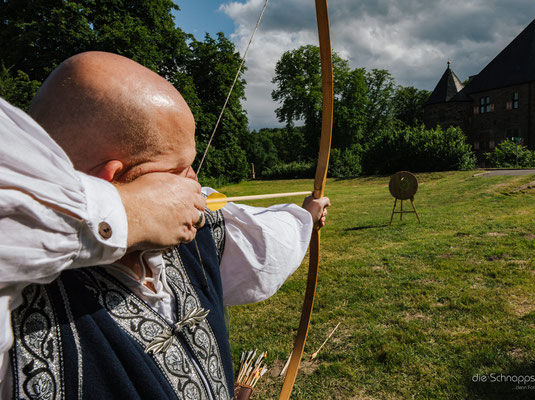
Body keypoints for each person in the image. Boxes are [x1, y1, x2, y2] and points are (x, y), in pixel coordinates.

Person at [4, 51, 329, 399]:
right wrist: (126, 213)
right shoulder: (17, 301)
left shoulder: (197, 237)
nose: (194, 183)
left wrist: (305, 216)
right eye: (176, 172)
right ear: (110, 181)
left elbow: (269, 241)